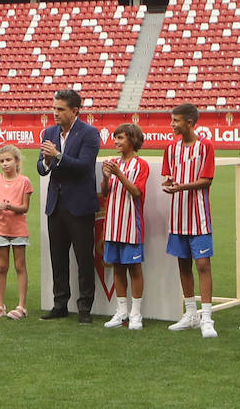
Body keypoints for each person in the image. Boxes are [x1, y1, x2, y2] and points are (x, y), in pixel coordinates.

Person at [38, 88, 99, 323]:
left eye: (60, 109)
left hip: (80, 205)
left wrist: (58, 156)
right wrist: (46, 161)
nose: (55, 113)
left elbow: (84, 166)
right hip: (56, 204)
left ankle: (85, 309)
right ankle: (60, 304)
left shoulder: (89, 133)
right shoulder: (49, 132)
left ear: (75, 111)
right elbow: (41, 168)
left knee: (84, 259)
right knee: (58, 258)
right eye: (54, 108)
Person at [164, 103, 219, 338]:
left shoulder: (205, 146)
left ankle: (207, 316)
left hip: (199, 217)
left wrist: (180, 187)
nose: (172, 124)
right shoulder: (170, 148)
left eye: (176, 120)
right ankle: (190, 314)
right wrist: (168, 184)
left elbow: (207, 180)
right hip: (177, 216)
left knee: (203, 264)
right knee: (183, 263)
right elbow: (168, 176)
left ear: (189, 122)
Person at [102, 123, 149, 330]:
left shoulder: (140, 165)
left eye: (121, 138)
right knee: (117, 268)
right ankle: (121, 312)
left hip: (131, 225)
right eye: (115, 138)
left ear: (132, 140)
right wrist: (105, 177)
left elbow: (137, 192)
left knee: (134, 268)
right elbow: (105, 193)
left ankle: (136, 313)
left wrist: (119, 174)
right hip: (113, 224)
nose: (116, 142)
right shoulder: (112, 162)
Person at [0, 144, 31, 320]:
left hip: (18, 229)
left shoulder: (24, 181)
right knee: (2, 267)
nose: (5, 164)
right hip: (0, 229)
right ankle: (0, 305)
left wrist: (12, 207)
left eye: (8, 160)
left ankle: (22, 306)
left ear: (17, 161)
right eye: (2, 161)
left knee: (20, 266)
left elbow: (25, 207)